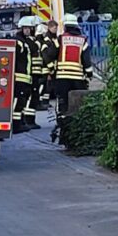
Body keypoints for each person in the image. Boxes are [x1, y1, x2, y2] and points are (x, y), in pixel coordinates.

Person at [46, 15, 92, 143]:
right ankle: (78, 135)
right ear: (77, 26)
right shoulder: (83, 40)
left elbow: (49, 55)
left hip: (62, 79)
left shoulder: (60, 39)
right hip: (78, 80)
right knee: (78, 107)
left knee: (63, 106)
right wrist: (89, 74)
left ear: (65, 26)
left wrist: (52, 69)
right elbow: (87, 61)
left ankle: (64, 135)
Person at [11, 17, 37, 131]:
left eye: (29, 28)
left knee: (22, 101)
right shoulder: (18, 42)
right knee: (18, 101)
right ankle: (16, 125)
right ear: (21, 28)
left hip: (25, 77)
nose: (28, 30)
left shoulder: (25, 42)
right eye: (25, 28)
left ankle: (20, 122)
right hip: (19, 77)